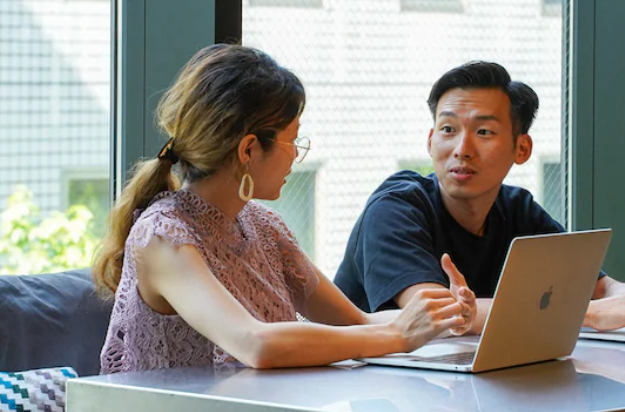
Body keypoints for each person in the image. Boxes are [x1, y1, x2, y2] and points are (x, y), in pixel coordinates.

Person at [93, 44, 476, 373]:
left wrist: (442, 317)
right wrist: (397, 335)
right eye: (292, 140)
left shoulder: (262, 225)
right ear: (248, 149)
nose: (296, 155)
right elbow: (254, 343)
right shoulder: (162, 235)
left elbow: (356, 322)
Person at [334, 61, 625, 335]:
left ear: (522, 148)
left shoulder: (517, 209)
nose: (461, 148)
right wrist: (589, 315)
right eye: (447, 129)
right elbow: (436, 315)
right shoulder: (396, 207)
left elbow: (600, 288)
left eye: (483, 132)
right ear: (431, 141)